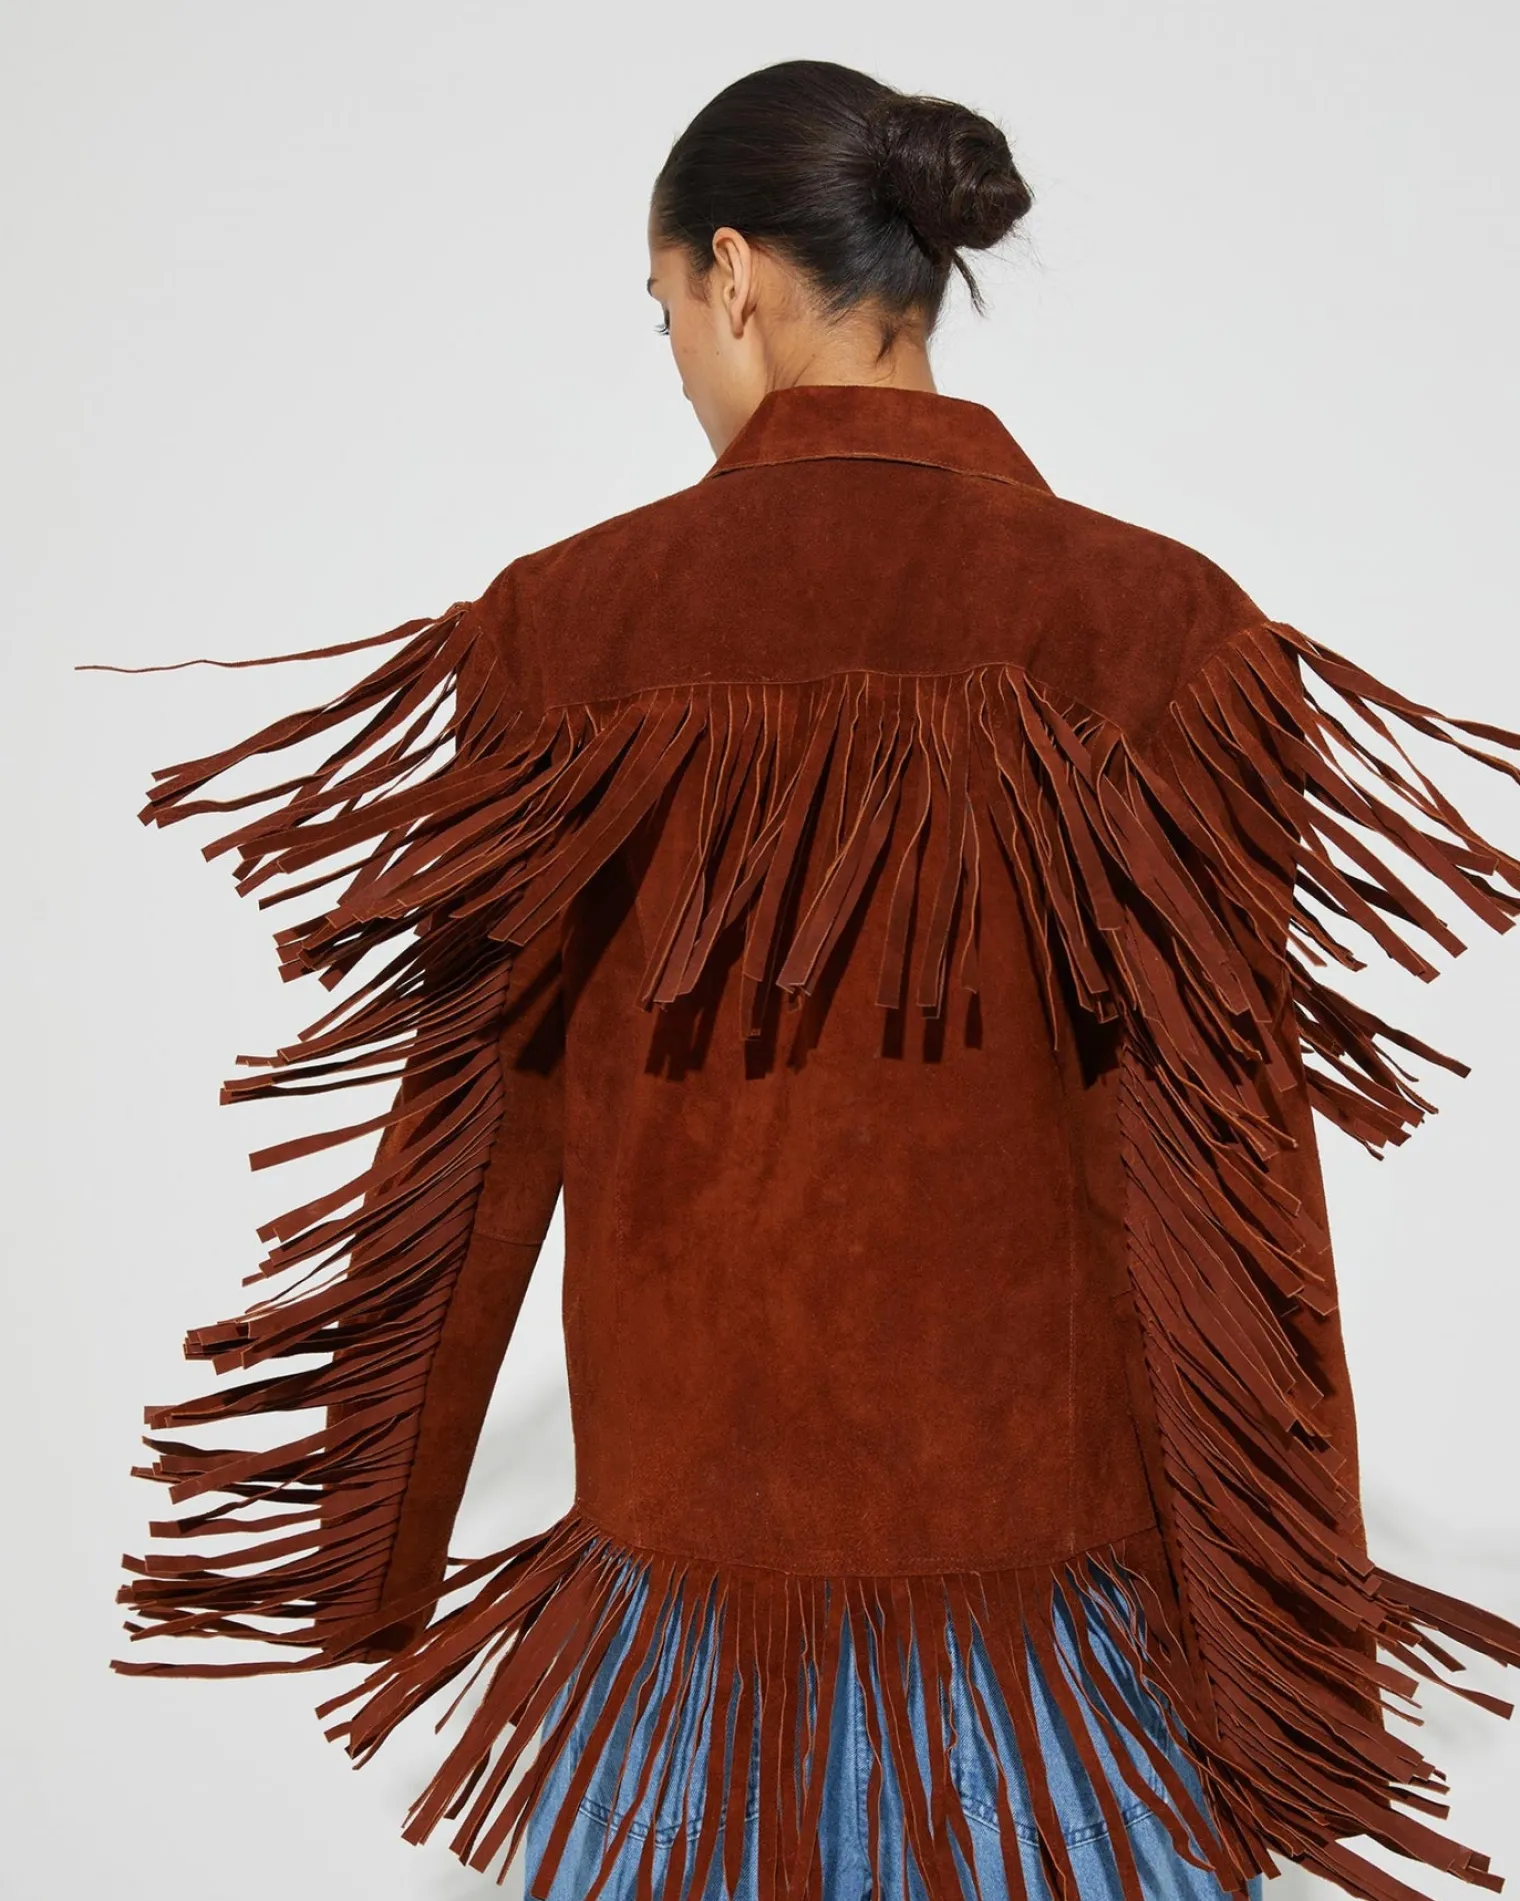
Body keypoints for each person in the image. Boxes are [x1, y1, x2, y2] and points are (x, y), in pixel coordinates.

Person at [100, 57, 1520, 1901]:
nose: (678, 362)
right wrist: (1289, 1666)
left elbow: (468, 1146)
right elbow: (1234, 1188)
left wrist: (363, 1563)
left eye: (664, 314)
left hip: (689, 1673)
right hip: (1065, 1680)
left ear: (734, 275)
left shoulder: (566, 635)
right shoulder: (1155, 631)